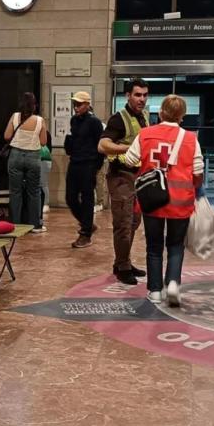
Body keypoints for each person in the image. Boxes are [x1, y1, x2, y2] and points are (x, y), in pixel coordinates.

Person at [124, 95, 204, 307]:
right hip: (181, 202)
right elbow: (198, 171)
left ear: (160, 113)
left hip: (153, 199)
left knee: (154, 246)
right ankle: (173, 285)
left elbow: (130, 160)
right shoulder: (190, 138)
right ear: (182, 116)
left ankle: (154, 291)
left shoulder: (145, 134)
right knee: (176, 245)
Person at [99, 78, 150, 285]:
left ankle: (123, 261)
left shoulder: (144, 116)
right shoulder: (118, 119)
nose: (142, 99)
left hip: (138, 177)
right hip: (121, 176)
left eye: (145, 95)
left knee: (134, 223)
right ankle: (122, 267)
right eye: (138, 95)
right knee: (123, 223)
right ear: (127, 95)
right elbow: (102, 146)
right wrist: (129, 149)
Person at [4, 92, 47, 233]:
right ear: (34, 105)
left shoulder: (15, 116)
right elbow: (43, 142)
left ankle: (15, 224)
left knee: (15, 192)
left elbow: (7, 136)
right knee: (33, 192)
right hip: (33, 157)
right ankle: (35, 225)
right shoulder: (40, 120)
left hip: (15, 156)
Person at [65, 91, 103, 248]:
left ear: (87, 105)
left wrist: (96, 166)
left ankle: (86, 233)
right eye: (75, 104)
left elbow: (100, 145)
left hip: (88, 164)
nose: (76, 107)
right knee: (70, 198)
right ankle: (87, 223)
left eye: (79, 104)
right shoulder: (74, 120)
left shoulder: (94, 122)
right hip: (74, 162)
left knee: (87, 199)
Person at [40, 129, 53, 218]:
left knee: (43, 183)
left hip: (43, 159)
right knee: (42, 183)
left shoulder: (45, 132)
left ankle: (45, 204)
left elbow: (48, 147)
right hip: (41, 159)